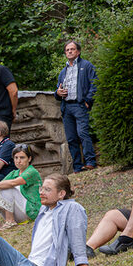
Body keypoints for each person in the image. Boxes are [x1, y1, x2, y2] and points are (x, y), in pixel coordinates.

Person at [55, 40, 98, 172]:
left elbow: (95, 84)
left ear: (78, 52)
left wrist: (88, 100)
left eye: (72, 49)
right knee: (71, 138)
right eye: (67, 50)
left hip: (80, 105)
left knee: (82, 133)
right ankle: (77, 166)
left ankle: (90, 162)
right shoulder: (63, 72)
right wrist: (58, 93)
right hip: (66, 107)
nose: (69, 52)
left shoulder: (86, 65)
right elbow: (57, 91)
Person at [0, 145, 41, 232]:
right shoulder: (14, 173)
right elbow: (0, 185)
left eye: (22, 158)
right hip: (19, 212)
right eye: (16, 158)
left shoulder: (32, 171)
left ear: (29, 159)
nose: (18, 161)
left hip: (30, 211)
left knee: (8, 188)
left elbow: (12, 183)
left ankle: (10, 221)